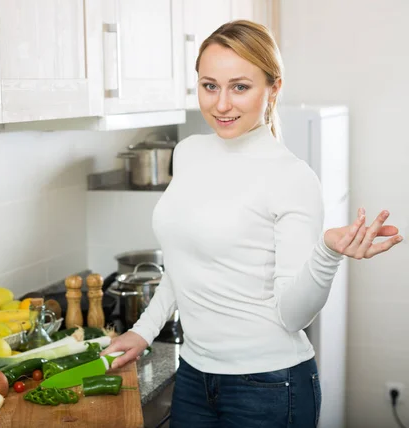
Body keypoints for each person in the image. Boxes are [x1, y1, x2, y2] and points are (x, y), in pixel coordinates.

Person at [100, 20, 403, 428]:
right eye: (210, 86)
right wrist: (143, 330)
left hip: (269, 386)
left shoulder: (292, 177)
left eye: (240, 87)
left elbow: (294, 317)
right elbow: (184, 263)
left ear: (273, 89)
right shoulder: (188, 153)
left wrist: (327, 251)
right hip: (193, 377)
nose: (221, 104)